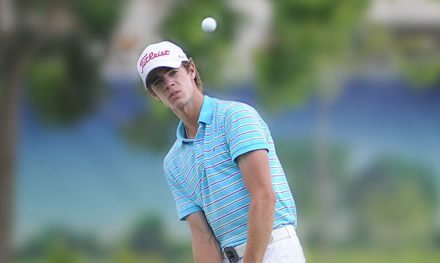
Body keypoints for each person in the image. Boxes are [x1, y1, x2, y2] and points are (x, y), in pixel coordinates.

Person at [136, 40, 305, 263]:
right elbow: (202, 235)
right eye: (158, 82)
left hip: (274, 250)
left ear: (191, 70)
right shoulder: (174, 163)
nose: (168, 84)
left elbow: (263, 196)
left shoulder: (235, 117)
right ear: (154, 94)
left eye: (172, 73)